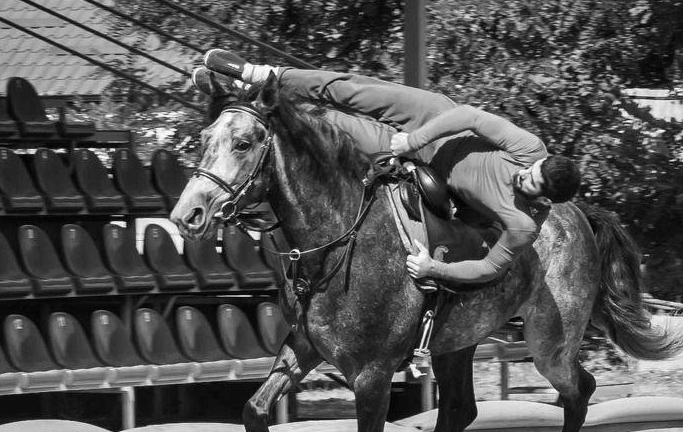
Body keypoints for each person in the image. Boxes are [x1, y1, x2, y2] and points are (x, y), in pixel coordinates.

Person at [196, 49, 581, 285]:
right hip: (433, 119)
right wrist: (413, 138)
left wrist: (434, 270)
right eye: (531, 170)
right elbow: (469, 117)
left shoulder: (523, 225)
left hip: (424, 164)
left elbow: (490, 268)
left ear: (543, 199)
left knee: (330, 125)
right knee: (352, 90)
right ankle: (259, 75)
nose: (524, 175)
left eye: (531, 184)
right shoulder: (530, 148)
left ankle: (247, 102)